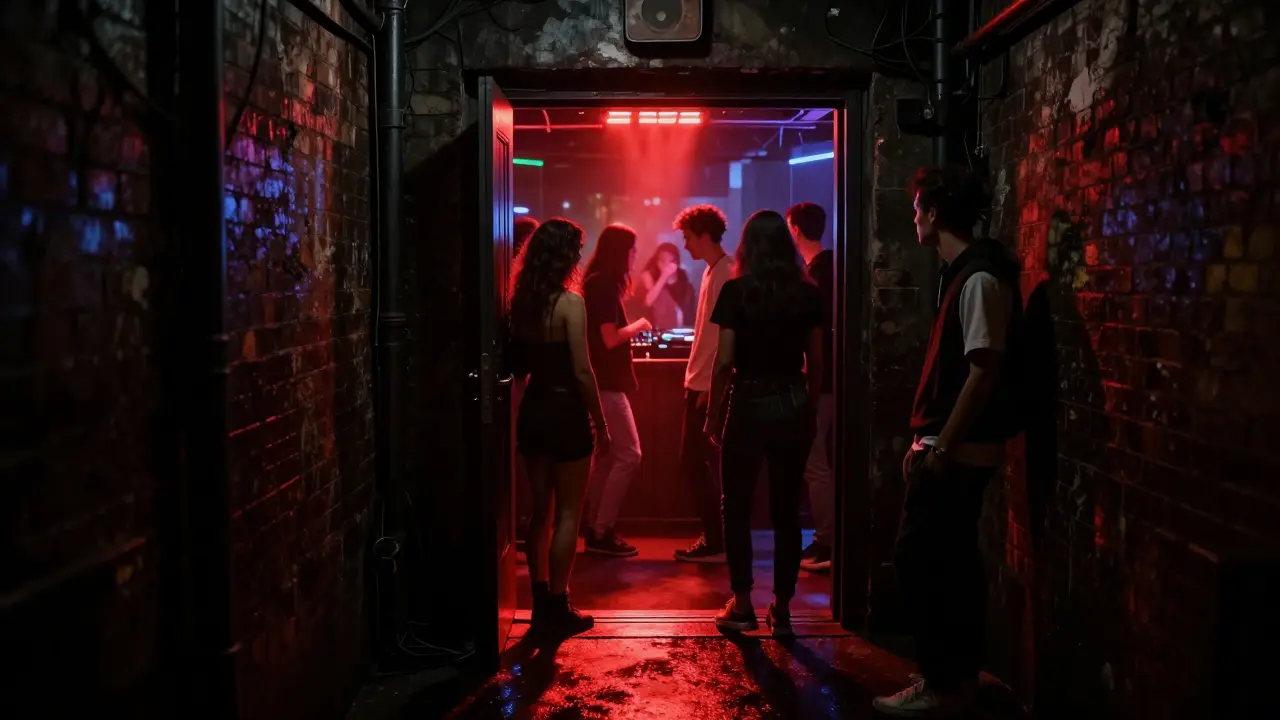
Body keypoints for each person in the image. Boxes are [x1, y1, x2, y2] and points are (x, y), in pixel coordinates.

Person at [873, 166, 1023, 716]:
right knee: (946, 563)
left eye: (917, 207)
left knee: (921, 561)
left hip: (955, 451)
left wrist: (940, 448)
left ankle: (944, 683)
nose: (913, 215)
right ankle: (951, 676)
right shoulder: (963, 273)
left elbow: (984, 370)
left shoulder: (978, 277)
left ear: (935, 212)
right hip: (951, 447)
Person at [703, 209, 824, 639]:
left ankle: (741, 605)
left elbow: (723, 362)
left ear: (747, 247)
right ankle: (784, 610)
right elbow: (817, 361)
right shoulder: (807, 294)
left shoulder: (737, 291)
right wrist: (807, 407)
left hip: (749, 400)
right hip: (792, 397)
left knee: (735, 507)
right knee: (787, 512)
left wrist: (714, 412)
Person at [509, 217, 610, 638]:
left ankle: (537, 605)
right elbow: (584, 372)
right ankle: (559, 602)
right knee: (569, 512)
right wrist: (602, 424)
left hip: (534, 410)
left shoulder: (520, 302)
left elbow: (517, 368)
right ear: (567, 255)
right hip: (567, 411)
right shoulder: (571, 303)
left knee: (538, 514)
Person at [580, 224, 651, 558]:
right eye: (632, 250)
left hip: (600, 382)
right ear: (621, 252)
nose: (635, 257)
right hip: (607, 384)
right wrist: (638, 326)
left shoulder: (595, 283)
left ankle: (594, 527)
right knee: (629, 455)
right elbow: (609, 339)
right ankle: (601, 530)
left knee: (606, 457)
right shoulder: (605, 286)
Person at [671, 204, 733, 564]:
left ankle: (716, 541)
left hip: (707, 384)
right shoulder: (714, 271)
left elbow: (723, 340)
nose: (684, 245)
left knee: (696, 462)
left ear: (705, 235)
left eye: (688, 237)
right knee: (697, 462)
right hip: (700, 381)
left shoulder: (725, 272)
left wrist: (710, 388)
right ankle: (716, 538)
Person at [785, 202, 836, 572]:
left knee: (815, 462)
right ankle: (826, 538)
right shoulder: (832, 266)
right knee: (820, 460)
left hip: (822, 383)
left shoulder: (814, 273)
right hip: (831, 380)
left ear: (795, 230)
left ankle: (827, 541)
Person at [634, 242, 696, 328]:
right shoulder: (648, 275)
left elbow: (688, 313)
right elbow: (648, 302)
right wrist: (663, 277)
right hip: (652, 328)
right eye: (662, 261)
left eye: (671, 261)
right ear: (656, 261)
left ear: (677, 263)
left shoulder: (684, 281)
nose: (666, 265)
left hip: (678, 330)